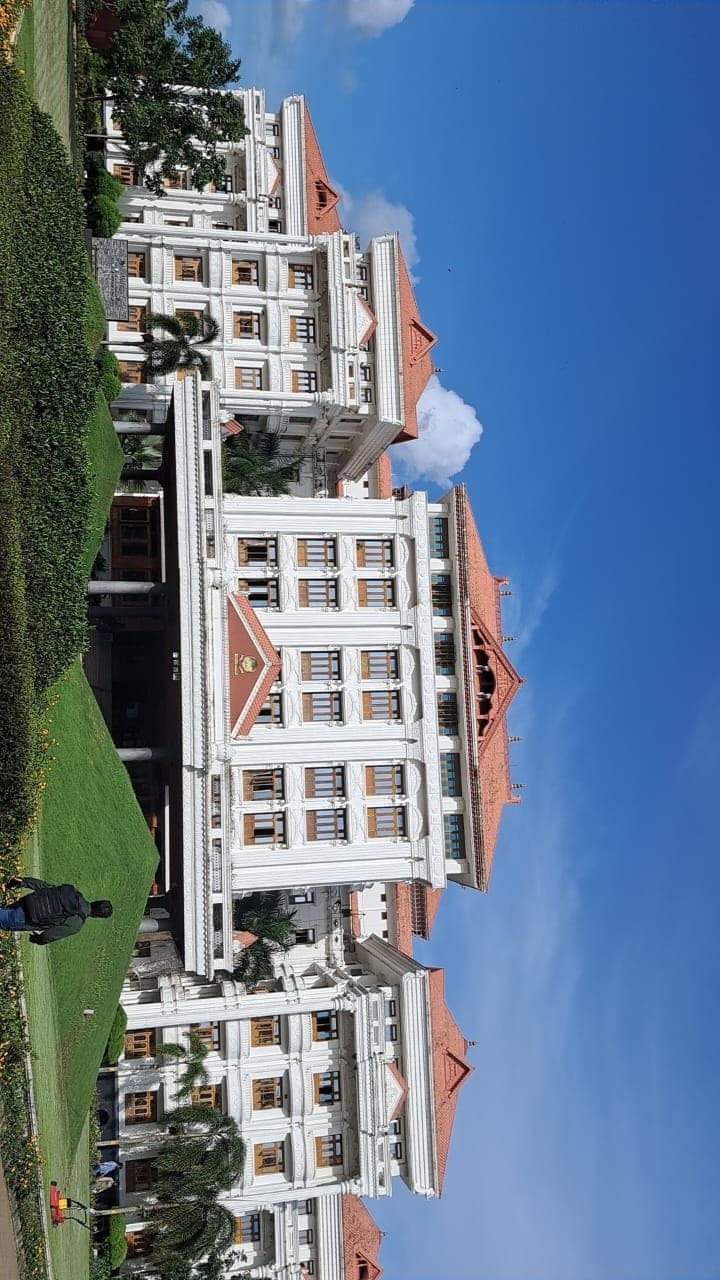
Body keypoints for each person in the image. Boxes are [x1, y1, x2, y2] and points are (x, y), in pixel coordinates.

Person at [0, 877, 113, 945]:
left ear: (96, 901)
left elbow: (45, 887)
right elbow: (49, 935)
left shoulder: (75, 893)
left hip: (27, 901)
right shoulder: (76, 924)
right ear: (97, 916)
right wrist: (37, 939)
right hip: (25, 919)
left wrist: (24, 882)